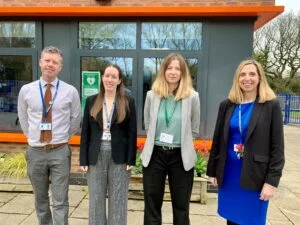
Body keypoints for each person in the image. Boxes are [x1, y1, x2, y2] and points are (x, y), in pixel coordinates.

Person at [207, 59, 285, 225]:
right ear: (237, 79)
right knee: (232, 218)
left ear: (260, 78)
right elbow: (218, 140)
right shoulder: (227, 105)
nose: (247, 78)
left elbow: (277, 148)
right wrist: (212, 170)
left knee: (252, 220)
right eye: (242, 74)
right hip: (229, 175)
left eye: (252, 74)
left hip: (255, 176)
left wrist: (271, 182)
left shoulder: (271, 105)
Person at [18, 46, 81, 225]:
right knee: (40, 198)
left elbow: (75, 119)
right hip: (35, 152)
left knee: (60, 200)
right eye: (47, 60)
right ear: (40, 63)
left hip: (60, 151)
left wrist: (62, 139)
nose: (50, 65)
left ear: (60, 67)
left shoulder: (70, 91)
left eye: (55, 62)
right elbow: (23, 118)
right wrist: (33, 138)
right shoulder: (26, 90)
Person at [141, 52, 200, 225]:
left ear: (183, 73)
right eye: (169, 68)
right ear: (163, 71)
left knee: (181, 206)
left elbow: (194, 129)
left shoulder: (192, 97)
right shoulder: (152, 95)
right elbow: (148, 124)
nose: (173, 72)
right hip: (155, 155)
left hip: (180, 157)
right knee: (152, 204)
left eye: (177, 68)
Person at [79, 64, 137, 225]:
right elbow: (85, 132)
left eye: (114, 77)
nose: (109, 79)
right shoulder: (91, 101)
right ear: (102, 78)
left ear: (119, 81)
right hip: (95, 155)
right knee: (96, 199)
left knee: (118, 200)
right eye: (107, 76)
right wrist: (83, 159)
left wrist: (131, 159)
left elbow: (132, 132)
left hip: (119, 157)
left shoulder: (127, 102)